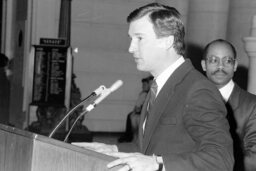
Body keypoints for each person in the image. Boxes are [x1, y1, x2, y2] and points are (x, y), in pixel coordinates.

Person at [74, 3, 234, 171]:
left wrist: (158, 164)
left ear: (167, 41)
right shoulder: (159, 86)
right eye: (131, 39)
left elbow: (220, 159)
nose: (131, 48)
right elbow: (150, 149)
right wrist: (114, 150)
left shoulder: (198, 89)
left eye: (139, 38)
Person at [201, 39, 256, 171]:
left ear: (235, 65)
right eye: (214, 60)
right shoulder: (188, 100)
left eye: (227, 61)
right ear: (204, 65)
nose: (221, 66)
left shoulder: (252, 105)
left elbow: (253, 158)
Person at [118, 76, 153, 143]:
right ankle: (130, 136)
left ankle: (130, 137)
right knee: (132, 117)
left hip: (146, 114)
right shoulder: (144, 94)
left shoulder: (146, 94)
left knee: (133, 117)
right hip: (143, 113)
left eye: (146, 84)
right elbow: (138, 106)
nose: (143, 86)